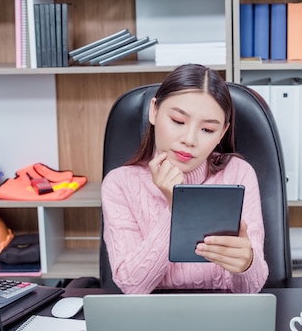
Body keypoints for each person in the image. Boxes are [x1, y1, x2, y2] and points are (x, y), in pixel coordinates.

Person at [101, 64, 269, 294]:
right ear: (154, 111)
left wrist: (246, 264)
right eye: (178, 121)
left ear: (221, 133)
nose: (189, 140)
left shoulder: (238, 173)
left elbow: (251, 290)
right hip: (151, 315)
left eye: (208, 130)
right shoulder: (119, 184)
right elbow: (132, 286)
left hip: (222, 313)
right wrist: (176, 206)